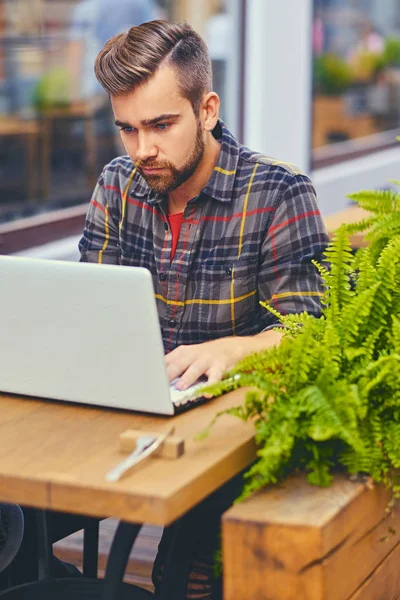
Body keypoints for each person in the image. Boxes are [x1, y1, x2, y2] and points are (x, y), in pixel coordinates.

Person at [78, 19, 329, 599]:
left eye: (161, 125)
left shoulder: (278, 192)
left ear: (208, 109)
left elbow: (312, 330)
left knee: (189, 580)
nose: (144, 150)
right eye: (128, 129)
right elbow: (91, 310)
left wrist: (234, 348)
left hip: (226, 442)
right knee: (17, 519)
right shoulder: (117, 185)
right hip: (128, 421)